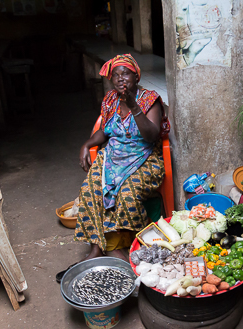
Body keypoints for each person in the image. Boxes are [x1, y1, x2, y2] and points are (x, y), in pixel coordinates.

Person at [74, 54, 170, 263]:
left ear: (136, 77)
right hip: (113, 155)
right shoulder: (110, 99)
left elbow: (152, 135)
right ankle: (97, 247)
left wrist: (134, 107)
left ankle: (137, 244)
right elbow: (105, 131)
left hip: (144, 158)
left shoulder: (149, 99)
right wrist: (87, 144)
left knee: (127, 193)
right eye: (115, 75)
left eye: (125, 73)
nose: (120, 79)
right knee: (90, 190)